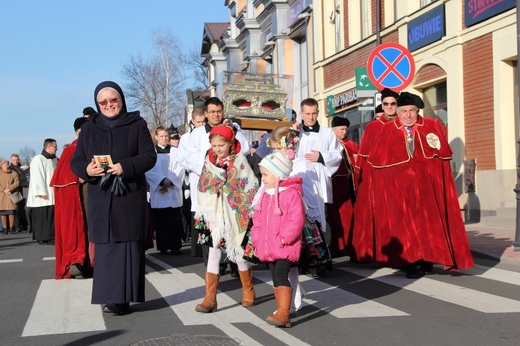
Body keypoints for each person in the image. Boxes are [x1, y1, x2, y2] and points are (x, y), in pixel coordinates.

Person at [365, 91, 474, 277]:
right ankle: (411, 262)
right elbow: (380, 169)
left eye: (412, 111)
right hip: (400, 193)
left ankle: (427, 259)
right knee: (406, 227)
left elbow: (441, 162)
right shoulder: (387, 131)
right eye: (404, 111)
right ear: (397, 112)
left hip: (427, 189)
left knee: (428, 225)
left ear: (418, 111)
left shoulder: (430, 127)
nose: (408, 115)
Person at [70, 81, 157, 315]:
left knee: (128, 248)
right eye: (103, 102)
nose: (109, 105)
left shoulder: (137, 124)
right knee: (106, 251)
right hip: (101, 197)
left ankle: (124, 298)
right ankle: (111, 298)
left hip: (128, 197)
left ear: (121, 100)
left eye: (113, 100)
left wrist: (124, 167)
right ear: (98, 105)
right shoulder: (89, 129)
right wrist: (87, 171)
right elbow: (76, 161)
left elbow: (149, 157)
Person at [180, 97, 251, 274]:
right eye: (212, 112)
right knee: (212, 230)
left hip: (231, 188)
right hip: (210, 189)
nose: (215, 115)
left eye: (218, 111)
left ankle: (237, 265)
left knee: (234, 227)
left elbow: (247, 148)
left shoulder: (232, 129)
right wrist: (211, 160)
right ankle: (216, 268)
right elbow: (187, 159)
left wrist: (233, 129)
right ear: (206, 113)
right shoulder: (195, 135)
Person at [260, 126, 327, 312]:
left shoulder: (300, 165)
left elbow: (311, 193)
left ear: (288, 146)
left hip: (295, 220)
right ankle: (294, 294)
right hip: (275, 218)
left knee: (291, 260)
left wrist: (314, 216)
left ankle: (294, 296)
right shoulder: (272, 163)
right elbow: (266, 188)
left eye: (278, 149)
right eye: (273, 149)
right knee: (285, 262)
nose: (275, 152)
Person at [194, 124, 258, 313]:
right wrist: (217, 181)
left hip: (235, 213)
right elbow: (203, 185)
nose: (217, 149)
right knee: (214, 252)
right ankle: (210, 298)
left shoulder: (240, 161)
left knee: (238, 252)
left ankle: (248, 289)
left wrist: (230, 186)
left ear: (231, 143)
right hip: (216, 214)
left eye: (221, 145)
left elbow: (250, 185)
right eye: (214, 146)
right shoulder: (209, 161)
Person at [251, 151, 306, 328]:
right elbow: (257, 221)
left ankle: (284, 313)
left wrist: (286, 238)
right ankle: (283, 309)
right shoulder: (265, 195)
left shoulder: (291, 194)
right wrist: (257, 239)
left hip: (285, 245)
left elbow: (296, 218)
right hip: (269, 246)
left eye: (266, 175)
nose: (263, 179)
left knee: (281, 274)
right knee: (276, 277)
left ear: (278, 174)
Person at [351, 88, 399, 262]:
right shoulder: (373, 127)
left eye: (392, 103)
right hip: (378, 180)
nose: (389, 107)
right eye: (385, 104)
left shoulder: (404, 125)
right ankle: (381, 254)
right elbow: (364, 158)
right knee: (382, 218)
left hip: (399, 180)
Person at [50, 117, 91, 279]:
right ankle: (79, 262)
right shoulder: (71, 150)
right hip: (81, 198)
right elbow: (64, 176)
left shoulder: (93, 146)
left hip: (90, 197)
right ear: (77, 132)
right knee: (82, 230)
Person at [146, 126, 184, 255]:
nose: (164, 138)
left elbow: (181, 167)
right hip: (159, 190)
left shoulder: (176, 152)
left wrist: (170, 180)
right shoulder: (151, 153)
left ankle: (175, 246)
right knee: (161, 221)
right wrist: (161, 180)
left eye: (166, 136)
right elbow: (148, 170)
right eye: (161, 136)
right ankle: (163, 246)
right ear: (156, 137)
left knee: (174, 219)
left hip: (172, 189)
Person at [178, 107, 207, 257]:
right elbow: (184, 160)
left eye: (204, 121)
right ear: (192, 121)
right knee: (197, 211)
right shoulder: (186, 138)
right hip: (197, 176)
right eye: (198, 122)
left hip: (210, 178)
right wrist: (201, 168)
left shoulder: (209, 134)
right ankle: (198, 249)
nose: (201, 125)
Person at [328, 117, 358, 257]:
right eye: (341, 129)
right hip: (335, 183)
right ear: (334, 130)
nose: (344, 132)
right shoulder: (329, 144)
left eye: (346, 129)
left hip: (350, 184)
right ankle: (338, 245)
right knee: (336, 215)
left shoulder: (351, 144)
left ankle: (350, 243)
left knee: (350, 214)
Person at [26, 138, 58, 245]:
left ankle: (50, 236)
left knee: (50, 216)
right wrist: (41, 192)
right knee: (42, 217)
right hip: (42, 194)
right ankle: (42, 237)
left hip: (52, 192)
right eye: (55, 146)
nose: (57, 148)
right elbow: (37, 176)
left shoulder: (53, 160)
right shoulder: (38, 159)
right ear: (48, 147)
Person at [9, 154, 29, 232]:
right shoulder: (10, 169)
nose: (16, 161)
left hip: (23, 190)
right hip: (15, 190)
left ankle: (24, 224)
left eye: (17, 159)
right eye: (14, 160)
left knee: (23, 208)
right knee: (16, 209)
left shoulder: (22, 168)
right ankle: (17, 226)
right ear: (11, 160)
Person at [0, 160, 20, 235]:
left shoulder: (13, 173)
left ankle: (11, 227)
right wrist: (3, 189)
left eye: (7, 165)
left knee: (11, 212)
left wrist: (10, 188)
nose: (6, 166)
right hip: (2, 195)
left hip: (11, 194)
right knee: (3, 213)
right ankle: (5, 228)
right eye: (4, 165)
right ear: (1, 166)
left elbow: (17, 182)